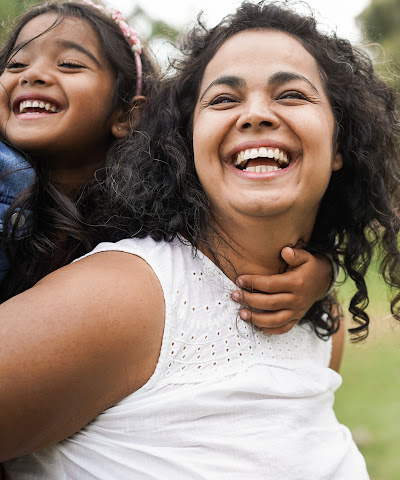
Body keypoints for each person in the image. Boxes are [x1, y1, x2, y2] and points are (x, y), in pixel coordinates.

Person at [4, 0, 399, 477]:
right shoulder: (126, 298)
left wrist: (322, 277)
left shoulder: (317, 319)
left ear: (341, 142)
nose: (255, 114)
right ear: (186, 144)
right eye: (224, 100)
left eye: (292, 94)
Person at [0, 0, 336, 333]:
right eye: (15, 65)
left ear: (127, 115)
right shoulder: (7, 179)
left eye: (70, 64)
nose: (33, 75)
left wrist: (319, 274)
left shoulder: (146, 205)